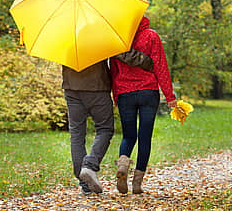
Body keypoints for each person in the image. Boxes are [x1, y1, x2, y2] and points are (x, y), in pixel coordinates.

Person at [62, 49, 153, 195]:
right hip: (96, 87)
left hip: (71, 88)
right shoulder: (98, 31)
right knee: (105, 129)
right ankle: (89, 166)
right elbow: (121, 53)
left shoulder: (64, 33)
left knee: (77, 135)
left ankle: (85, 184)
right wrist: (148, 62)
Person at [110, 16, 177, 194]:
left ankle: (123, 164)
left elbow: (113, 72)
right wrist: (170, 96)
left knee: (128, 136)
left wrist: (116, 96)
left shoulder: (117, 41)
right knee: (144, 137)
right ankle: (137, 184)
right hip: (148, 93)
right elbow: (160, 67)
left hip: (125, 93)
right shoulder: (151, 36)